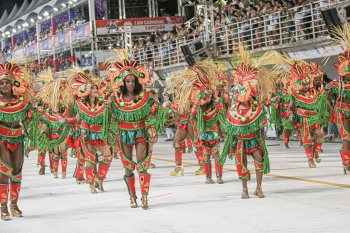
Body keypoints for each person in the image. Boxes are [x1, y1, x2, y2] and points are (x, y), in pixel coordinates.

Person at [106, 50, 162, 209]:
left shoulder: (145, 96)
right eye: (127, 81)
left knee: (142, 164)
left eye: (132, 80)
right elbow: (112, 119)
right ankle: (132, 196)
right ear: (122, 82)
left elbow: (152, 116)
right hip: (124, 134)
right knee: (128, 167)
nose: (130, 83)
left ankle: (145, 197)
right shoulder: (117, 99)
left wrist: (155, 104)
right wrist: (110, 105)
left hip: (140, 132)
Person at [219, 45, 274, 199]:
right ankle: (244, 189)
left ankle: (259, 187)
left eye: (237, 92)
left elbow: (261, 122)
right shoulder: (232, 109)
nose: (235, 95)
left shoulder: (257, 107)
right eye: (235, 92)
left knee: (259, 161)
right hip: (240, 142)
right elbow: (230, 128)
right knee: (241, 164)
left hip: (254, 140)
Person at [57, 66, 112, 193]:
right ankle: (92, 185)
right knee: (90, 159)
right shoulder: (81, 104)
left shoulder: (102, 104)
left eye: (95, 88)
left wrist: (110, 104)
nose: (94, 89)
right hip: (86, 134)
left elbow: (107, 117)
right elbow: (77, 120)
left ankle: (100, 178)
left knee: (108, 157)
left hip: (99, 134)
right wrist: (63, 120)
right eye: (92, 88)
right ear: (87, 90)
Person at [0, 61, 38, 220]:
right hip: (1, 139)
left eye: (6, 83)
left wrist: (34, 108)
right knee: (4, 171)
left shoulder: (21, 101)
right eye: (1, 83)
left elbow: (28, 119)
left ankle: (14, 205)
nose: (3, 85)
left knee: (17, 171)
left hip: (18, 137)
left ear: (12, 84)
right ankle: (3, 207)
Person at [325, 22, 350, 174]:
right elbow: (327, 97)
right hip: (342, 112)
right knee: (347, 137)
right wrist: (330, 106)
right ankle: (346, 164)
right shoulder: (335, 84)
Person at [37, 69, 69, 179]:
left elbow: (68, 120)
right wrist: (43, 129)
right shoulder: (47, 111)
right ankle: (54, 171)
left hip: (62, 132)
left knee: (63, 151)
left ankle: (64, 172)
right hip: (53, 134)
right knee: (55, 152)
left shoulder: (64, 109)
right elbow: (45, 122)